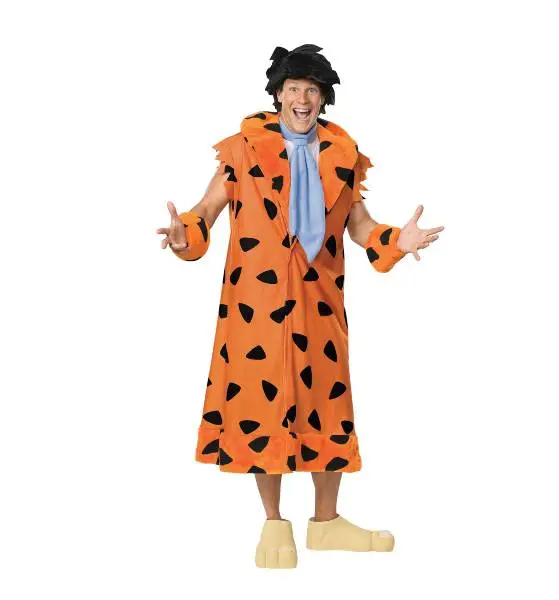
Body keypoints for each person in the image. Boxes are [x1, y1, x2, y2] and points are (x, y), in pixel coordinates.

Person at [156, 44, 444, 569]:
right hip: (256, 307)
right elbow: (205, 212)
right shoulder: (244, 151)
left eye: (312, 90)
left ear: (323, 99)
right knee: (259, 408)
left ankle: (326, 523)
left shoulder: (342, 157)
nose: (302, 99)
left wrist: (396, 242)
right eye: (293, 89)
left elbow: (360, 226)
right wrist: (183, 237)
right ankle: (274, 523)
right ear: (278, 96)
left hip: (320, 306)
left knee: (326, 405)